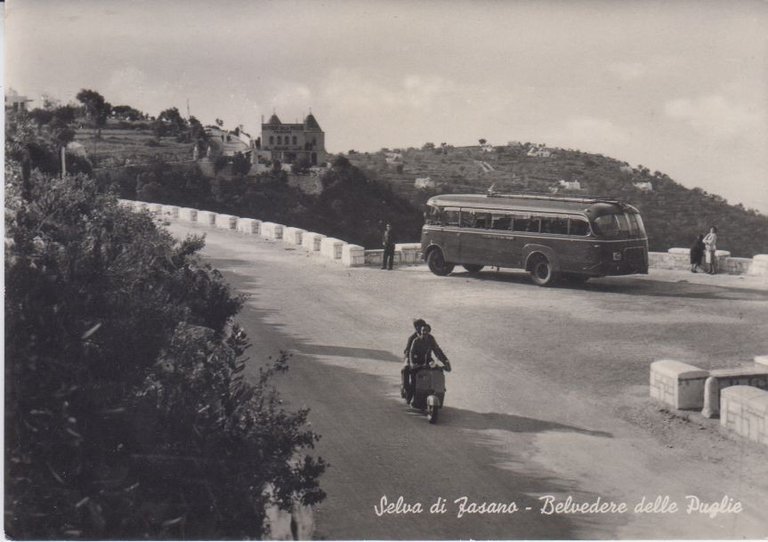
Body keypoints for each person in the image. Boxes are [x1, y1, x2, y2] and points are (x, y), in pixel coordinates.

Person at [404, 323, 451, 404]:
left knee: (437, 371)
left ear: (429, 331)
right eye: (423, 330)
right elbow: (411, 353)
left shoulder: (431, 339)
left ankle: (439, 389)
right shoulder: (416, 340)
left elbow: (437, 351)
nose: (424, 332)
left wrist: (445, 361)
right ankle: (410, 396)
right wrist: (412, 364)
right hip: (417, 361)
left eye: (426, 330)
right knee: (414, 378)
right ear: (420, 331)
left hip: (427, 360)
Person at [401, 319, 426, 400]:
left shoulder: (428, 336)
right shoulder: (412, 338)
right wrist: (409, 361)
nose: (419, 328)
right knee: (405, 369)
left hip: (423, 360)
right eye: (418, 327)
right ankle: (407, 390)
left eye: (422, 326)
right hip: (413, 360)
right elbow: (408, 351)